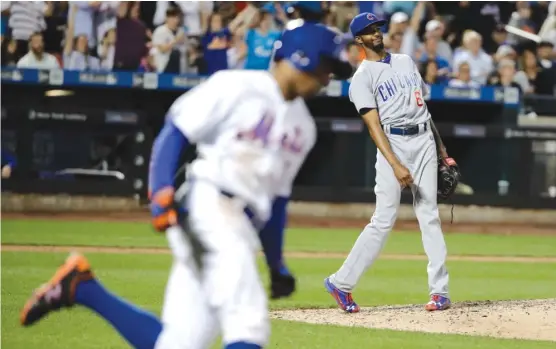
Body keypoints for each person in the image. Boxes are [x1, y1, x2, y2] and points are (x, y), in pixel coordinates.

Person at [20, 21, 353, 349]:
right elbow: (176, 131)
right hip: (209, 206)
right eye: (326, 67)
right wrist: (159, 192)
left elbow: (277, 201)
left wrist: (276, 263)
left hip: (241, 225)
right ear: (300, 57)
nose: (327, 79)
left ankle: (83, 287)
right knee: (248, 323)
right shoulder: (237, 86)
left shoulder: (303, 129)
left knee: (178, 344)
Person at [325, 12, 456, 313]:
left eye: (378, 28)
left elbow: (424, 109)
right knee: (383, 219)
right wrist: (396, 163)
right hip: (393, 143)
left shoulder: (405, 61)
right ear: (359, 39)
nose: (377, 34)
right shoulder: (362, 77)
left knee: (429, 214)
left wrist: (442, 150)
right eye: (370, 31)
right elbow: (374, 127)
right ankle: (340, 283)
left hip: (423, 139)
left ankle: (440, 292)